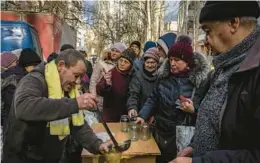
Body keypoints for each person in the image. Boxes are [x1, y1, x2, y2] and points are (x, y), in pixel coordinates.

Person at [171, 1, 260, 163]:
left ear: (233, 23)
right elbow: (211, 121)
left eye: (208, 30)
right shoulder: (225, 65)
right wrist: (194, 146)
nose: (205, 40)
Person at [3, 49, 111, 163]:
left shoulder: (66, 88)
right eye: (76, 75)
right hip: (22, 158)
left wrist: (97, 144)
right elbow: (23, 107)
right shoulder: (34, 80)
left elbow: (77, 124)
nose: (77, 82)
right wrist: (75, 103)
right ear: (61, 65)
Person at [136, 36, 210, 163]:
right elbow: (153, 98)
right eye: (170, 60)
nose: (172, 63)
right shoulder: (163, 77)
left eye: (177, 60)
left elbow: (205, 113)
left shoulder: (199, 82)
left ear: (187, 61)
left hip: (180, 137)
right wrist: (142, 115)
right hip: (160, 132)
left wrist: (193, 110)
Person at [1, 49, 41, 132]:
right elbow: (12, 106)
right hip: (13, 125)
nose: (37, 68)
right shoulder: (13, 80)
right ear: (26, 66)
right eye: (34, 65)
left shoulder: (26, 76)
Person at [96, 48, 136, 122]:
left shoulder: (132, 76)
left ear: (131, 65)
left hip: (124, 115)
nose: (122, 63)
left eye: (126, 62)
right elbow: (99, 90)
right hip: (109, 115)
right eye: (121, 60)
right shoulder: (112, 72)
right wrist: (107, 84)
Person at [127, 47, 160, 122]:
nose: (150, 65)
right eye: (147, 62)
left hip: (156, 118)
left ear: (157, 63)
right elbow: (133, 94)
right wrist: (132, 107)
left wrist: (155, 115)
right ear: (144, 63)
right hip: (139, 115)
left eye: (152, 62)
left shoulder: (161, 77)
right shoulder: (138, 76)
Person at [89, 43, 127, 108]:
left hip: (115, 103)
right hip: (100, 100)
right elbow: (93, 81)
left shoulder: (123, 67)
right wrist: (94, 97)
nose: (114, 53)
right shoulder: (101, 63)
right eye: (112, 50)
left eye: (117, 51)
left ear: (122, 53)